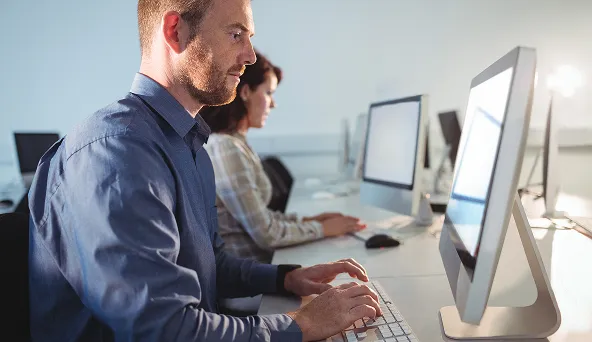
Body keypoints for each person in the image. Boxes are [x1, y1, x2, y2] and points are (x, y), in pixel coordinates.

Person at [27, 0, 382, 341]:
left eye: (250, 38)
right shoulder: (116, 154)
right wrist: (301, 324)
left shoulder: (189, 144)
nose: (250, 56)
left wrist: (286, 279)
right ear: (175, 31)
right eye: (235, 34)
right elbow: (163, 331)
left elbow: (210, 267)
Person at [200, 51, 365, 264]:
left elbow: (262, 217)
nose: (273, 104)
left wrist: (308, 220)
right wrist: (322, 229)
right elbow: (266, 233)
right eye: (268, 92)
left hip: (264, 265)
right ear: (246, 92)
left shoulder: (237, 143)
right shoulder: (226, 147)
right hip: (252, 280)